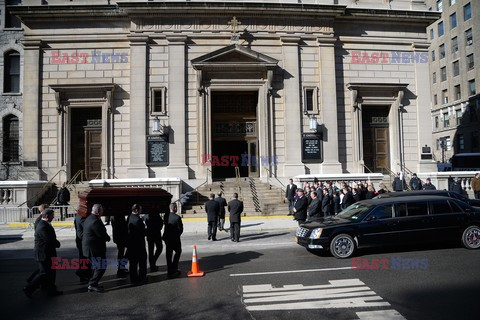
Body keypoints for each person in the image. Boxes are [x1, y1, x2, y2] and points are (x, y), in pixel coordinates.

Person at [23, 209, 62, 298]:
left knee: (48, 273)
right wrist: (57, 243)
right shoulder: (42, 226)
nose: (53, 217)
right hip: (43, 254)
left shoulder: (44, 224)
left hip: (46, 253)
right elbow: (48, 240)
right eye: (52, 215)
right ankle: (29, 289)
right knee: (45, 274)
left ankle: (50, 289)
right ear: (47, 216)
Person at [83, 204, 110, 292]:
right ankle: (92, 284)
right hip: (94, 249)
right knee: (101, 266)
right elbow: (101, 235)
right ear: (98, 211)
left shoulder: (90, 218)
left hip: (90, 248)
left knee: (96, 267)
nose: (102, 212)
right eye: (101, 211)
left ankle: (92, 283)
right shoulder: (95, 221)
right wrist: (107, 238)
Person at [127, 204, 147, 285]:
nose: (141, 211)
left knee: (133, 263)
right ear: (136, 210)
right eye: (140, 209)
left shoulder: (129, 217)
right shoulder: (138, 220)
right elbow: (142, 232)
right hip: (139, 245)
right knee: (142, 262)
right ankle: (142, 277)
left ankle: (133, 278)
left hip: (131, 244)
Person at [164, 203, 183, 278]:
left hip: (167, 238)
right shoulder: (177, 218)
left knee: (168, 254)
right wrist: (177, 235)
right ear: (174, 208)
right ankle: (174, 267)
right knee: (178, 251)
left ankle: (170, 269)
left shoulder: (166, 216)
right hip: (175, 239)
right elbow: (180, 229)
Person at [74, 211, 89, 282]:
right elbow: (87, 229)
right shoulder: (82, 218)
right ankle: (81, 272)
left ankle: (83, 275)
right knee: (84, 258)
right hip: (82, 241)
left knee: (83, 258)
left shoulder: (77, 216)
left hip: (79, 241)